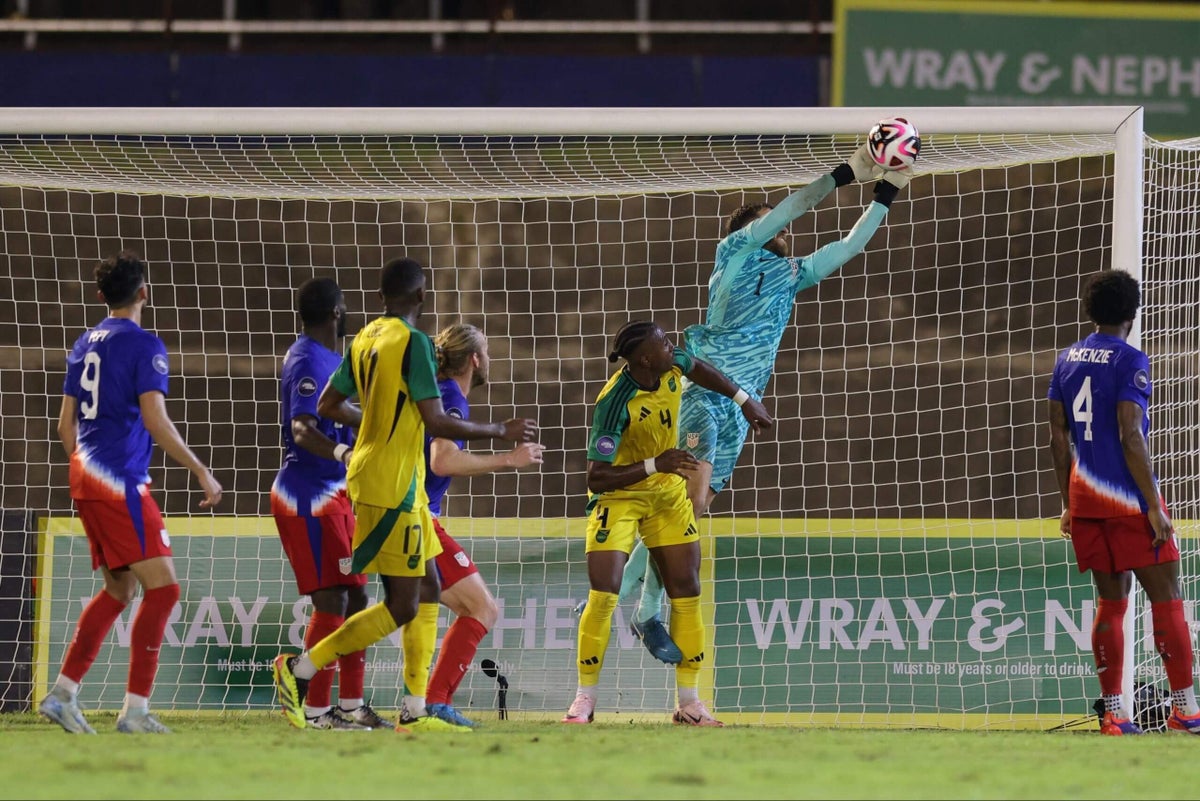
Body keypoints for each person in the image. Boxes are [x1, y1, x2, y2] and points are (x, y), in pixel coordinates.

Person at [614, 142, 914, 664]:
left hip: (741, 411)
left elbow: (848, 246)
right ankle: (644, 611)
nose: (785, 231)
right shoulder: (733, 252)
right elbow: (793, 205)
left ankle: (619, 594)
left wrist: (885, 194)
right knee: (689, 502)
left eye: (784, 231)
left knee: (688, 508)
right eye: (772, 226)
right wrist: (847, 173)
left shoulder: (793, 277)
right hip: (704, 393)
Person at [272, 256, 537, 732]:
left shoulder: (366, 338)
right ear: (421, 296)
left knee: (429, 588)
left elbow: (331, 404)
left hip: (388, 478)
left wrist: (375, 420)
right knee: (403, 604)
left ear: (380, 297)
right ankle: (300, 670)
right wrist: (502, 431)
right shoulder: (412, 342)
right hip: (391, 482)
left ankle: (418, 709)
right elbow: (436, 422)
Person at [39, 251, 223, 735]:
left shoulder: (84, 343)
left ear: (102, 296)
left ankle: (63, 694)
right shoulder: (145, 345)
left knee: (120, 589)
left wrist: (87, 470)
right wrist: (201, 471)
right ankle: (135, 710)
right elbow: (155, 420)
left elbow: (65, 425)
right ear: (145, 292)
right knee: (164, 589)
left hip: (85, 476)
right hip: (118, 480)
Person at [564, 321, 772, 726]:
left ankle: (690, 704)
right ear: (644, 358)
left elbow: (701, 369)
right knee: (604, 595)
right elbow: (595, 476)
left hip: (666, 494)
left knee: (687, 589)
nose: (671, 344)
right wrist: (653, 464)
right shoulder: (613, 401)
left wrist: (744, 399)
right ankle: (583, 701)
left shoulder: (672, 363)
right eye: (662, 342)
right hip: (618, 497)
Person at [1046, 268, 1200, 736]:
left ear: (1091, 310)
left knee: (1110, 603)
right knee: (1167, 598)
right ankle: (1186, 711)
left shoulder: (1066, 359)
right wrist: (1154, 505)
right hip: (1130, 501)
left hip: (1086, 499)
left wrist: (1068, 501)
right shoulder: (1131, 359)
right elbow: (1130, 433)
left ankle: (1114, 714)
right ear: (1132, 314)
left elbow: (1058, 433)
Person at [397, 323, 545, 729]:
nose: (491, 360)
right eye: (489, 351)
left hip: (402, 510)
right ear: (476, 360)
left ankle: (420, 704)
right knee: (482, 607)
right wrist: (507, 459)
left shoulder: (437, 395)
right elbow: (442, 460)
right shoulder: (449, 399)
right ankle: (432, 703)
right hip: (413, 515)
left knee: (401, 609)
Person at [270, 277, 387, 730]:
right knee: (334, 599)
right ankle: (315, 707)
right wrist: (344, 452)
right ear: (337, 312)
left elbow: (340, 414)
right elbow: (301, 428)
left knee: (357, 596)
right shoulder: (306, 358)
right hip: (307, 494)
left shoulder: (333, 359)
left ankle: (350, 706)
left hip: (333, 492)